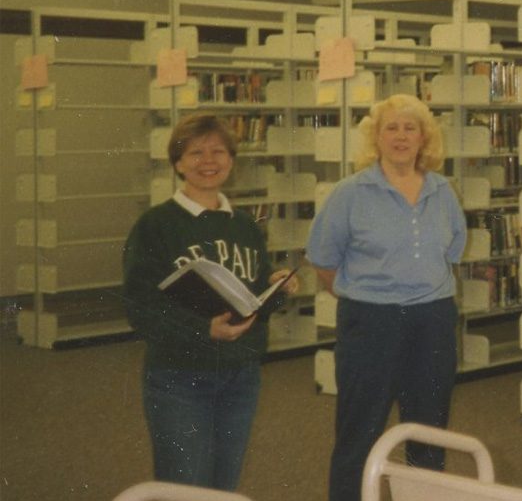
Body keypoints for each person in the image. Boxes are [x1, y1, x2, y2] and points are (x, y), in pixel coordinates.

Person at [123, 113, 299, 491]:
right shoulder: (156, 224)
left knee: (223, 487)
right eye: (196, 153)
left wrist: (277, 288)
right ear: (177, 163)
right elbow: (140, 305)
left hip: (241, 374)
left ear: (232, 161)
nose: (208, 161)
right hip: (179, 376)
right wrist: (204, 330)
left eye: (218, 151)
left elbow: (254, 301)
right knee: (184, 486)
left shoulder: (245, 226)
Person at [305, 93, 467, 501]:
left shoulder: (443, 191)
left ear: (424, 137)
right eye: (391, 128)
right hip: (371, 322)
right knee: (360, 428)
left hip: (433, 319)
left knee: (429, 428)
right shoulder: (349, 193)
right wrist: (364, 294)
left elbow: (453, 250)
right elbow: (324, 260)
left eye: (410, 128)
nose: (401, 136)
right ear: (375, 138)